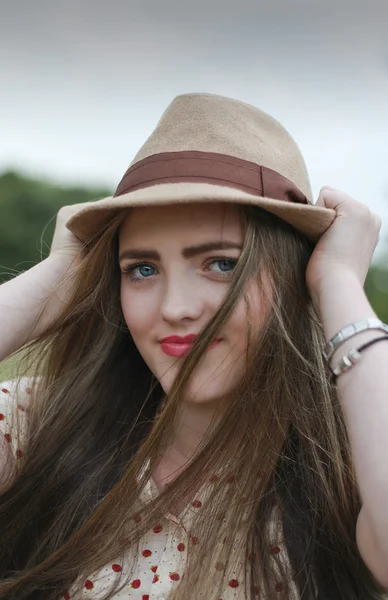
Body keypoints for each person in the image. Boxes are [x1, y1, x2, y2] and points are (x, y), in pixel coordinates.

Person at [0, 93, 387, 600]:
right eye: (142, 269)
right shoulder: (35, 425)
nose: (175, 308)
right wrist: (58, 280)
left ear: (297, 276)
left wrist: (337, 283)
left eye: (222, 264)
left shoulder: (353, 462)